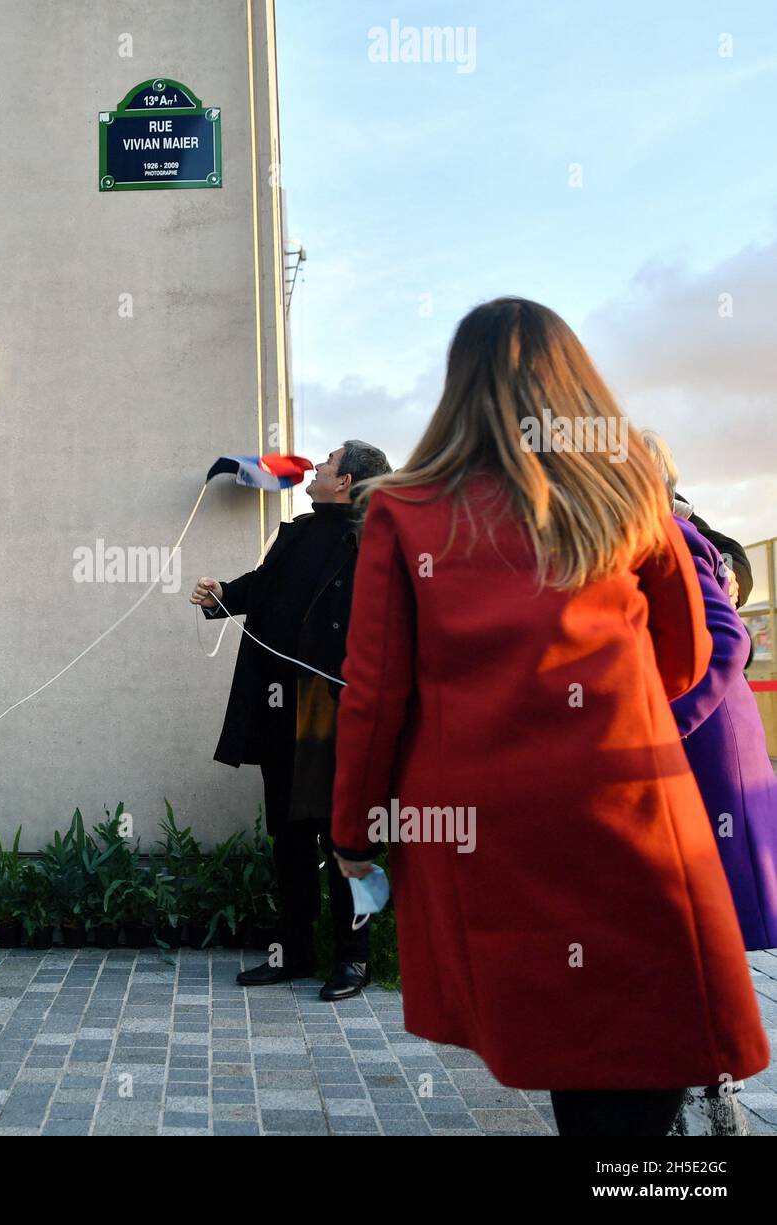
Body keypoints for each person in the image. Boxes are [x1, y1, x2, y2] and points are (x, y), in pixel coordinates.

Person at [329, 297, 768, 1138]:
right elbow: (681, 654)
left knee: (569, 1049)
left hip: (491, 835)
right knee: (643, 1053)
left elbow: (375, 695)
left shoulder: (405, 509)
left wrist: (354, 836)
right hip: (631, 811)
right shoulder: (629, 489)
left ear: (460, 390)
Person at [191, 441, 390, 1000]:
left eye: (327, 462)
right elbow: (266, 589)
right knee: (290, 835)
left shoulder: (378, 543)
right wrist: (221, 596)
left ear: (346, 481)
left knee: (347, 841)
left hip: (336, 710)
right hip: (279, 706)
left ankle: (355, 959)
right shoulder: (297, 533)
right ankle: (293, 952)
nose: (315, 467)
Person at [642, 430, 777, 1136]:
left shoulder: (673, 532)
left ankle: (707, 1090)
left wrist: (665, 722)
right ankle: (694, 1084)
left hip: (701, 744)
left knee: (696, 924)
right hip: (690, 739)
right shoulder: (650, 530)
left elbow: (731, 641)